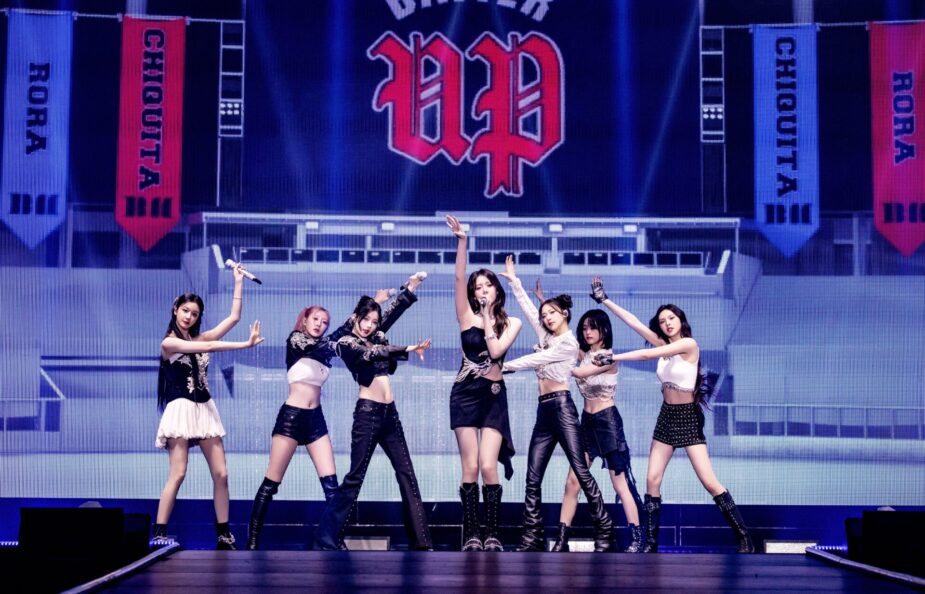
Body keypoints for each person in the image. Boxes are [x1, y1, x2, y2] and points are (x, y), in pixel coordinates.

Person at [590, 278, 754, 553]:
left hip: (687, 417)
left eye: (671, 318)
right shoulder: (662, 346)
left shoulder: (689, 344)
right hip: (666, 415)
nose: (667, 323)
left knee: (709, 481)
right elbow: (635, 323)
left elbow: (646, 356)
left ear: (681, 320)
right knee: (652, 480)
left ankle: (744, 538)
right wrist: (604, 300)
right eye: (662, 321)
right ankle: (651, 543)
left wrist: (614, 358)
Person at [246, 289, 392, 550]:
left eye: (324, 322)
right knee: (271, 483)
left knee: (332, 487)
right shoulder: (297, 340)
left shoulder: (325, 347)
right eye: (316, 319)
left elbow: (341, 334)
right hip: (291, 418)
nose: (320, 325)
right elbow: (334, 341)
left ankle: (333, 540)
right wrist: (344, 339)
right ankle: (253, 541)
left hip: (316, 420)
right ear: (305, 320)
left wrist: (374, 304)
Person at [312, 273, 434, 551]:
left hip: (391, 415)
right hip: (367, 415)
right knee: (355, 478)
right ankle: (326, 539)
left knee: (407, 474)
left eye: (373, 321)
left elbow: (390, 315)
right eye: (364, 319)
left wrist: (409, 288)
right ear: (355, 318)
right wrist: (409, 348)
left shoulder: (376, 335)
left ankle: (422, 543)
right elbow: (370, 354)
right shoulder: (346, 343)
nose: (369, 325)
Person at [499, 257, 613, 552]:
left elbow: (539, 359)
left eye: (552, 313)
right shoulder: (546, 336)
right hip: (544, 411)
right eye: (544, 315)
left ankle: (604, 531)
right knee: (532, 475)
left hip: (562, 409)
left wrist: (505, 366)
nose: (546, 318)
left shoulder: (569, 344)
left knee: (580, 470)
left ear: (564, 314)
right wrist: (514, 281)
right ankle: (532, 537)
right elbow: (528, 308)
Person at [153, 264, 264, 549]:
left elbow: (234, 317)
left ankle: (223, 534)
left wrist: (238, 281)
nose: (189, 317)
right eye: (185, 311)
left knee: (222, 474)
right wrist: (246, 346)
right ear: (175, 309)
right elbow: (211, 348)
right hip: (181, 409)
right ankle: (159, 533)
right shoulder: (169, 343)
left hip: (205, 409)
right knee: (178, 473)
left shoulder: (198, 338)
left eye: (194, 314)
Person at [445, 215, 522, 552]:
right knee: (471, 466)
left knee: (489, 465)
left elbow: (495, 351)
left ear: (496, 290)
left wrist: (489, 317)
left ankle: (493, 533)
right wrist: (463, 240)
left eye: (487, 285)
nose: (482, 290)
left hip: (492, 396)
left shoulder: (512, 322)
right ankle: (471, 534)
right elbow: (458, 275)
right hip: (464, 394)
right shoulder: (465, 315)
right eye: (477, 287)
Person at [548, 305, 644, 553]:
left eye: (593, 327)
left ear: (604, 330)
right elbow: (565, 338)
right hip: (587, 424)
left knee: (619, 484)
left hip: (608, 423)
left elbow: (580, 371)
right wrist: (550, 308)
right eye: (584, 328)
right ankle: (561, 539)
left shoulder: (607, 357)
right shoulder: (586, 354)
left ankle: (637, 538)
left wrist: (554, 361)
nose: (587, 332)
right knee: (572, 481)